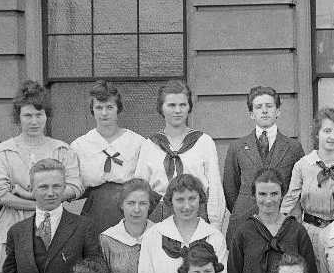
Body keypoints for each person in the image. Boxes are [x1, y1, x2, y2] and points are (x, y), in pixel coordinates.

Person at [0, 80, 83, 269]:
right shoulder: (3, 152)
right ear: (18, 117)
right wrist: (39, 204)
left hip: (54, 223)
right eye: (28, 115)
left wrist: (34, 196)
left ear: (47, 115)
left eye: (39, 114)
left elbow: (74, 186)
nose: (34, 121)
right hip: (13, 224)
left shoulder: (62, 150)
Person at [227, 167, 319, 273]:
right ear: (253, 196)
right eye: (262, 194)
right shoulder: (243, 232)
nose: (268, 200)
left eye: (274, 194)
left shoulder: (296, 231)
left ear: (282, 194)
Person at [134, 79, 225, 225]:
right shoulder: (149, 145)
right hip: (160, 216)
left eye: (183, 105)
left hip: (196, 213)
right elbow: (139, 190)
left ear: (189, 107)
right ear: (161, 108)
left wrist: (215, 224)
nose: (177, 110)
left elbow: (214, 187)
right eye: (171, 105)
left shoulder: (204, 142)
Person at [223, 86, 305, 235]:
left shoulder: (293, 147)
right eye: (259, 107)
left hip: (281, 222)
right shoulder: (237, 147)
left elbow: (300, 187)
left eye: (269, 106)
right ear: (251, 114)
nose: (264, 111)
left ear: (278, 111)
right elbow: (230, 189)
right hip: (244, 221)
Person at [69, 80, 146, 233]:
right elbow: (73, 186)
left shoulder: (137, 142)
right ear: (92, 110)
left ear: (118, 109)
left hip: (129, 212)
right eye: (99, 107)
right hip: (94, 214)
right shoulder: (79, 146)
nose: (104, 113)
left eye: (110, 107)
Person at [281, 107, 334, 234]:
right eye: (327, 131)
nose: (332, 136)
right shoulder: (303, 166)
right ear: (317, 134)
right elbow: (291, 203)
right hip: (310, 233)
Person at [99, 178, 155, 273]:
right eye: (131, 203)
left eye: (143, 203)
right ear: (121, 205)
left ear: (150, 206)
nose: (136, 209)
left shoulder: (160, 236)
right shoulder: (107, 239)